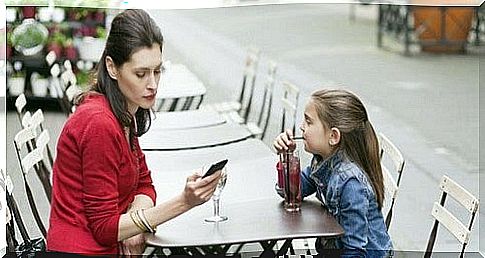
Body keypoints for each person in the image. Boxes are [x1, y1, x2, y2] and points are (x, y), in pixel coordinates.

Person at [47, 9, 222, 256]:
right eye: (141, 74)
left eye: (157, 71)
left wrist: (135, 222)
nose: (152, 84)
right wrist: (185, 201)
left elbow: (144, 184)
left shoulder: (122, 110)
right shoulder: (99, 123)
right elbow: (105, 229)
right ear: (112, 67)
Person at [273, 89, 393, 257]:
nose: (301, 127)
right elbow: (293, 192)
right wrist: (287, 157)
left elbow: (355, 250)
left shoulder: (350, 183)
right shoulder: (324, 162)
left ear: (333, 136)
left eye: (308, 122)